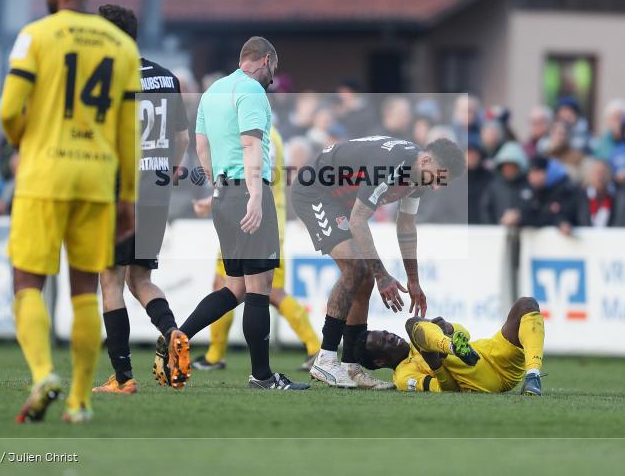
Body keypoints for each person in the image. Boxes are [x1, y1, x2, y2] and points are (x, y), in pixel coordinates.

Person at [0, 0, 140, 423]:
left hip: (44, 173)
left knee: (27, 281)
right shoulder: (122, 46)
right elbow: (127, 130)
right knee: (86, 287)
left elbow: (7, 112)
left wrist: (23, 138)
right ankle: (80, 400)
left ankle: (43, 373)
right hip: (97, 179)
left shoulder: (35, 35)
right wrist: (128, 197)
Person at [173, 36, 308, 391]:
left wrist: (217, 186)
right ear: (265, 60)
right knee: (259, 286)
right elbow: (251, 144)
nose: (272, 79)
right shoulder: (251, 91)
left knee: (235, 286)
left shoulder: (213, 91)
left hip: (221, 193)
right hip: (249, 192)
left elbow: (201, 146)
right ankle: (262, 376)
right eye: (273, 70)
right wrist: (253, 195)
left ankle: (179, 336)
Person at [291, 133, 465, 388]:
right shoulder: (391, 166)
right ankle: (325, 360)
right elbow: (358, 220)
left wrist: (413, 280)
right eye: (438, 178)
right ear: (426, 159)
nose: (436, 187)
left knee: (364, 280)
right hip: (315, 192)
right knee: (356, 270)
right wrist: (383, 276)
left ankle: (350, 367)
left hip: (340, 202)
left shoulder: (421, 175)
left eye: (442, 182)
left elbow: (406, 226)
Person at [89, 4, 190, 395]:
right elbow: (180, 140)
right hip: (156, 192)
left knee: (111, 281)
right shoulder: (167, 78)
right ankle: (173, 331)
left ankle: (123, 377)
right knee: (141, 278)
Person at [191, 124, 321, 372]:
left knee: (229, 286)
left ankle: (214, 353)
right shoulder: (271, 132)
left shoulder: (256, 134)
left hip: (251, 218)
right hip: (268, 219)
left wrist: (214, 200)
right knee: (269, 291)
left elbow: (257, 177)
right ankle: (314, 347)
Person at [354, 297, 545, 396]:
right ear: (379, 361)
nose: (390, 336)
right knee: (412, 324)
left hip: (493, 354)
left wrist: (450, 327)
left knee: (526, 305)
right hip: (478, 380)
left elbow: (466, 335)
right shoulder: (404, 377)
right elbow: (446, 389)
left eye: (386, 333)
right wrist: (436, 365)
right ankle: (450, 349)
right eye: (383, 341)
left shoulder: (420, 337)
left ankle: (532, 377)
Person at [518, 157, 586, 235]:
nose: (530, 177)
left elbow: (566, 216)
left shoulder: (566, 190)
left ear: (545, 172)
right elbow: (528, 215)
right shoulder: (532, 190)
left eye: (534, 172)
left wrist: (557, 219)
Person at [478, 141, 530, 226]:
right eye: (506, 166)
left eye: (512, 166)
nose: (509, 169)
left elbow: (534, 212)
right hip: (496, 235)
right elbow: (485, 211)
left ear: (518, 167)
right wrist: (499, 222)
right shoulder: (493, 187)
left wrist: (519, 218)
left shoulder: (528, 187)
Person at [465, 135, 493, 224]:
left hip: (483, 227)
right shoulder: (454, 180)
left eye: (474, 153)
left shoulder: (489, 178)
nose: (471, 157)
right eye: (468, 153)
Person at [583, 158, 616, 227]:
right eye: (596, 172)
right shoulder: (581, 196)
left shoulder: (616, 197)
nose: (599, 176)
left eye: (603, 172)